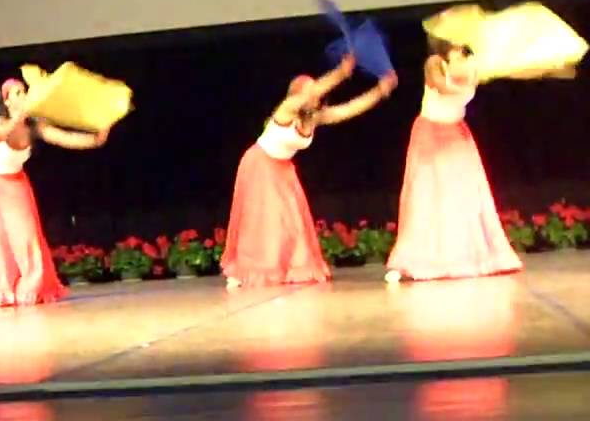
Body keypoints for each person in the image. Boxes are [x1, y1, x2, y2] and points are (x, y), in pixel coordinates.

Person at [222, 54, 398, 288]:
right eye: (310, 91)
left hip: (283, 169)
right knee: (264, 219)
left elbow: (350, 109)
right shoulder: (286, 110)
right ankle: (249, 269)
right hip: (260, 164)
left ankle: (289, 267)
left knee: (291, 221)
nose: (316, 95)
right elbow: (311, 93)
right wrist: (341, 72)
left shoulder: (314, 117)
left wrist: (379, 90)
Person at [0, 78, 112, 309]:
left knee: (26, 237)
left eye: (25, 92)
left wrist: (95, 139)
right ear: (7, 100)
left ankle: (30, 287)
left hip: (15, 185)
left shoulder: (34, 126)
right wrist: (21, 115)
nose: (23, 96)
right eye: (17, 93)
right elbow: (5, 132)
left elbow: (65, 138)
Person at [385, 40, 521, 282]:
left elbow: (467, 82)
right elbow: (441, 85)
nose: (460, 49)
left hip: (456, 133)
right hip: (430, 134)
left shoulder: (472, 68)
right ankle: (413, 260)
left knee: (465, 196)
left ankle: (467, 256)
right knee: (426, 196)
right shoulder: (435, 63)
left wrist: (476, 70)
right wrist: (468, 78)